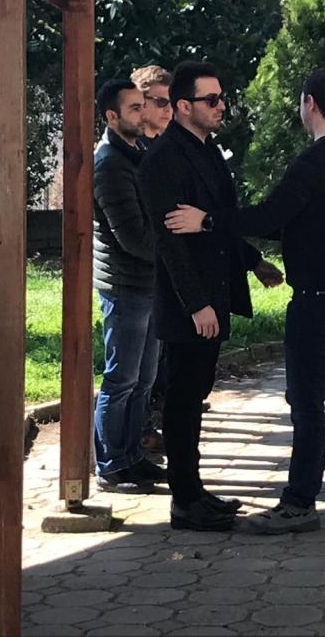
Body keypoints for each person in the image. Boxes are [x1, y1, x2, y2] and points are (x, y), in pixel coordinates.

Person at [166, 69, 325, 534]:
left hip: (318, 295)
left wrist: (207, 221)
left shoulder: (314, 161)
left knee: (306, 399)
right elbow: (309, 222)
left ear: (310, 104)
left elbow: (270, 216)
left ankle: (299, 502)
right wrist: (254, 257)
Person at [139, 61, 284, 532]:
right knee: (183, 398)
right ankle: (184, 501)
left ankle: (195, 492)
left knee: (196, 393)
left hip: (215, 292)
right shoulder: (163, 160)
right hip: (190, 302)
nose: (222, 106)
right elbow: (170, 243)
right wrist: (196, 304)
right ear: (184, 106)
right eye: (212, 99)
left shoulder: (207, 150)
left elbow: (219, 220)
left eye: (222, 98)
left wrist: (252, 261)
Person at [91, 78, 167, 490]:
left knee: (143, 380)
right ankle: (110, 463)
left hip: (148, 284)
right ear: (111, 116)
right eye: (134, 108)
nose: (143, 113)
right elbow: (133, 238)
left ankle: (132, 456)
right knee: (121, 379)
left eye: (143, 105)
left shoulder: (139, 153)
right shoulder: (109, 164)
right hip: (125, 287)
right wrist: (175, 249)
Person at [130, 64, 174, 455]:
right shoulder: (131, 150)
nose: (167, 109)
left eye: (170, 102)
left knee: (152, 365)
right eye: (158, 101)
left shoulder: (163, 146)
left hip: (162, 271)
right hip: (134, 273)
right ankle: (133, 437)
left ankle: (147, 425)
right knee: (130, 371)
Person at [131, 64, 173, 145]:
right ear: (140, 101)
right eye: (161, 101)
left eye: (172, 102)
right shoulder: (127, 145)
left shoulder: (167, 145)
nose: (169, 109)